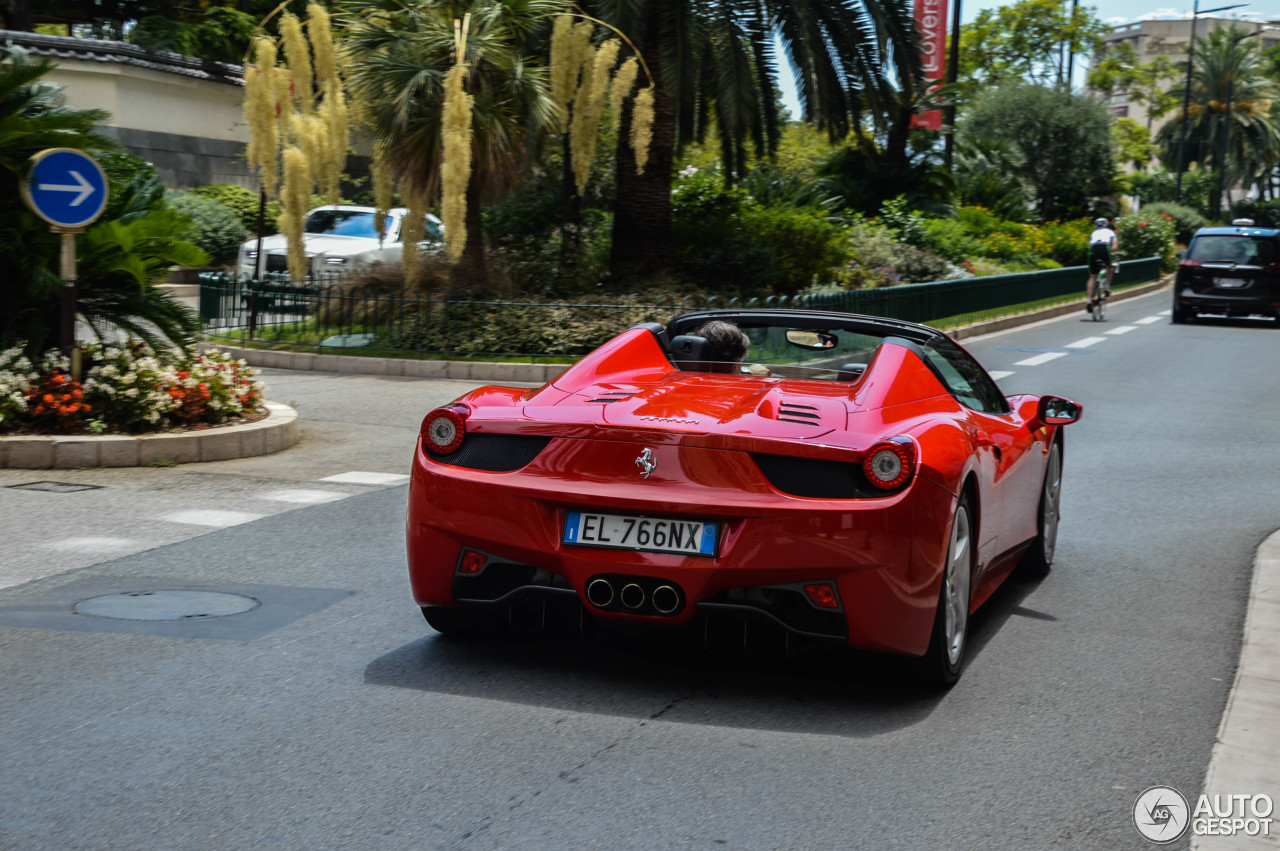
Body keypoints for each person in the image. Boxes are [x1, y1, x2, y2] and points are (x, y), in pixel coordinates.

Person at [1086, 217, 1118, 313]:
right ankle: (1107, 285)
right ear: (1106, 224)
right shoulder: (1111, 232)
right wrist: (1113, 254)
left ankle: (1089, 299)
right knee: (1111, 266)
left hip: (1093, 250)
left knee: (1092, 276)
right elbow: (1115, 246)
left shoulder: (1093, 233)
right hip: (1104, 248)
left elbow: (1090, 244)